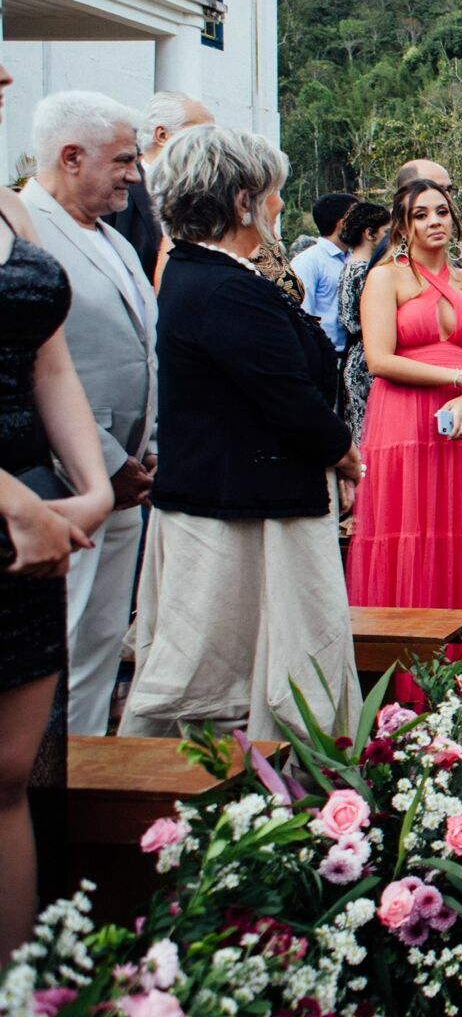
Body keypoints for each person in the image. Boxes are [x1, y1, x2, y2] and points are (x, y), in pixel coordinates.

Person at [120, 125, 362, 741]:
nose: (281, 205)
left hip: (242, 496)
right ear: (243, 201)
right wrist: (343, 451)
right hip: (246, 514)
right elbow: (285, 392)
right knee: (238, 673)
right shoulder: (224, 286)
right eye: (273, 192)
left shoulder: (205, 274)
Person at [0, 83, 116, 957]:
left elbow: (51, 362)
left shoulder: (8, 210)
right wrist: (16, 502)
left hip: (41, 511)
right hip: (15, 511)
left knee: (11, 777)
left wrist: (93, 485)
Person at [20, 91, 158, 737]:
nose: (134, 173)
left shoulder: (115, 238)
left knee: (102, 641)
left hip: (129, 482)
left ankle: (85, 771)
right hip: (60, 483)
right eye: (123, 160)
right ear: (72, 157)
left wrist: (147, 451)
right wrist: (105, 465)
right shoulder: (23, 227)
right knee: (59, 646)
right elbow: (42, 367)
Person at [347, 178, 462, 627]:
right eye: (421, 214)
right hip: (403, 415)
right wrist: (459, 378)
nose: (434, 221)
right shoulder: (386, 276)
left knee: (454, 529)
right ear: (403, 225)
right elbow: (379, 359)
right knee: (408, 528)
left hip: (458, 418)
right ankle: (403, 658)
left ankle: (457, 656)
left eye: (441, 211)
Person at [109, 91, 208, 283]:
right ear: (162, 135)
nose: (211, 146)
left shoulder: (207, 198)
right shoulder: (116, 193)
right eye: (202, 134)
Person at [336, 200, 391, 442]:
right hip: (368, 355)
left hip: (357, 353)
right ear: (369, 233)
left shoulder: (349, 268)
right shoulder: (364, 272)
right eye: (387, 232)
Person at [291, 192, 357, 355]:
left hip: (352, 357)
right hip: (327, 356)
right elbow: (302, 316)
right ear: (343, 223)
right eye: (358, 218)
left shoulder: (354, 259)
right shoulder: (308, 262)